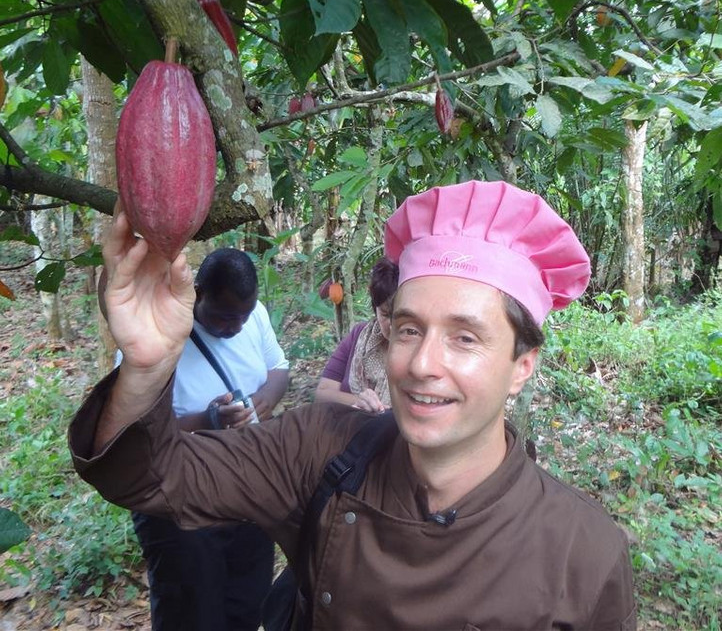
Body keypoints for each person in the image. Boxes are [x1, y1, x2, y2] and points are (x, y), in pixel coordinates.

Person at [70, 182, 636, 630]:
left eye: (465, 338)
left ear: (522, 366)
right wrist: (146, 367)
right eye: (410, 329)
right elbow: (149, 478)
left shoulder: (583, 552)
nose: (421, 364)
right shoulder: (320, 450)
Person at [128, 247, 290, 631]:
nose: (234, 326)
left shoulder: (255, 317)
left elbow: (278, 369)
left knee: (246, 603)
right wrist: (208, 419)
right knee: (190, 609)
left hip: (249, 490)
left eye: (243, 316)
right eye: (223, 315)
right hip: (180, 498)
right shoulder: (158, 332)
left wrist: (264, 400)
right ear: (198, 293)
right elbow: (135, 429)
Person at [314, 257, 398, 412]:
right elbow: (322, 393)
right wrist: (360, 402)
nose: (392, 325)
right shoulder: (359, 336)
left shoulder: (423, 353)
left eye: (400, 316)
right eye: (385, 314)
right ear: (375, 309)